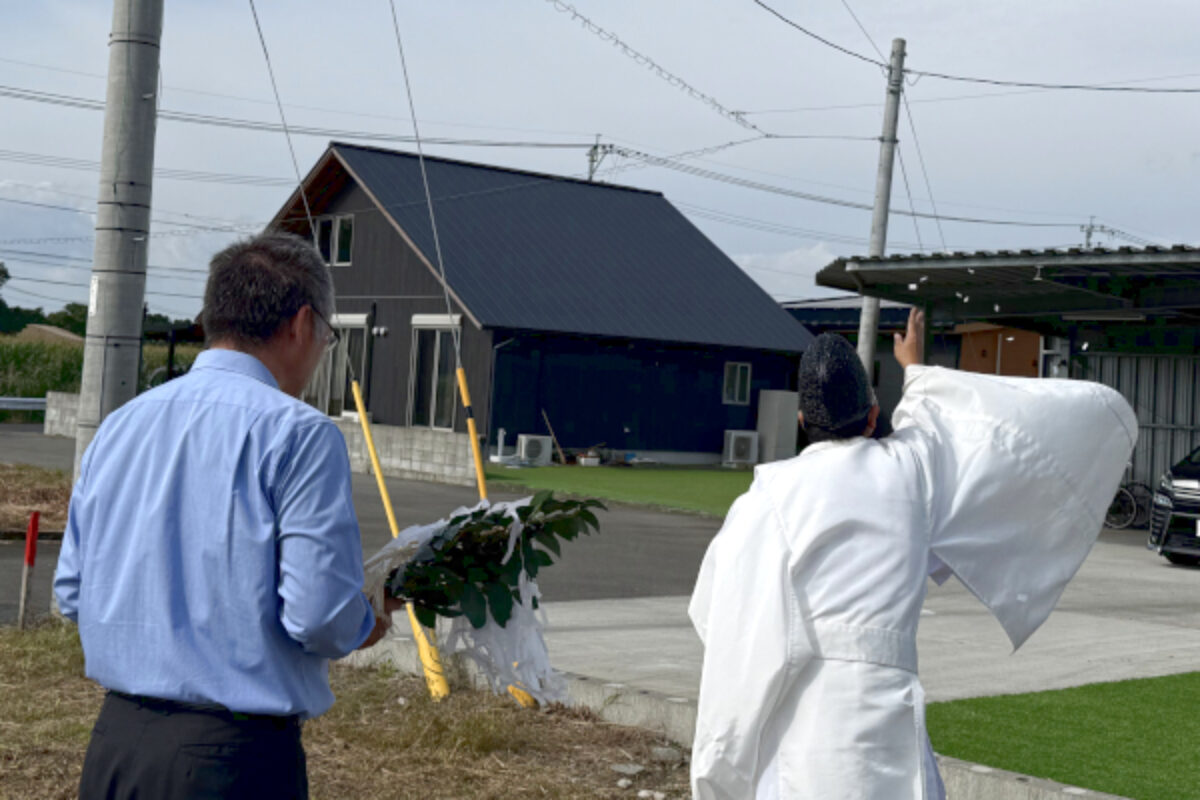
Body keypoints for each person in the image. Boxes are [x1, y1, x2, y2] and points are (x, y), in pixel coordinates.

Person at [689, 309, 1137, 799]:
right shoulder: (909, 472)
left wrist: (719, 774)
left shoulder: (769, 498)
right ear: (874, 416)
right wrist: (915, 369)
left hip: (806, 716)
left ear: (802, 422)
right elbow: (942, 428)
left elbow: (725, 620)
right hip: (889, 715)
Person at [54, 232, 398, 799]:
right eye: (327, 337)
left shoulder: (120, 426)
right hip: (229, 759)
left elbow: (72, 590)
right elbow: (317, 616)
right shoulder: (299, 434)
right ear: (301, 324)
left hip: (115, 745)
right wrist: (367, 621)